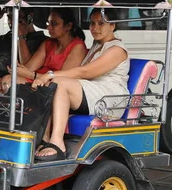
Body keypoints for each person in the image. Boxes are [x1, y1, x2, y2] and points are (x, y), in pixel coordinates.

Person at [32, 8, 129, 162]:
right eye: (92, 23)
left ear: (112, 26)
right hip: (93, 91)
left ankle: (57, 143)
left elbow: (85, 72)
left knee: (58, 82)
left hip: (110, 98)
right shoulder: (96, 47)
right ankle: (44, 138)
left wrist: (50, 74)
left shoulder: (117, 49)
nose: (95, 28)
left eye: (101, 23)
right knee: (53, 84)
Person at [0, 8, 87, 94]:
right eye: (48, 23)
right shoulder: (48, 43)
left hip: (49, 86)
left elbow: (60, 80)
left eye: (54, 24)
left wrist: (32, 75)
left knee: (8, 80)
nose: (48, 28)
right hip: (36, 80)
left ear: (68, 26)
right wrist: (19, 70)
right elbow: (29, 68)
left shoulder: (77, 47)